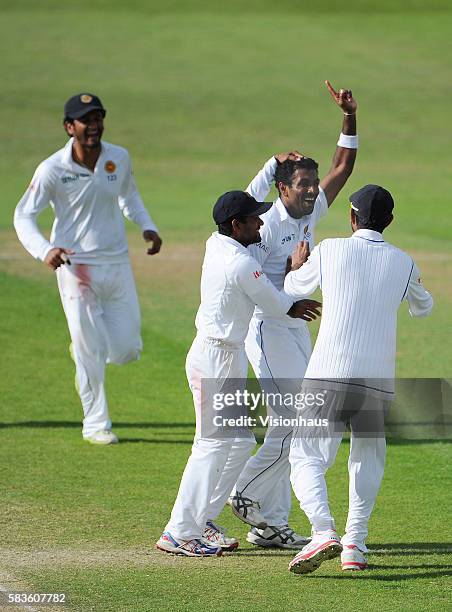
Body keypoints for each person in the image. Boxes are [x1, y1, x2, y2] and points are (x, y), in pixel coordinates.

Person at [227, 81, 359, 549]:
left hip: (297, 327)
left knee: (302, 425)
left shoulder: (310, 209)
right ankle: (242, 491)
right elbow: (241, 257)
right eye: (302, 184)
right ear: (282, 188)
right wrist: (291, 271)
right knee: (295, 423)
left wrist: (348, 116)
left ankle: (270, 523)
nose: (311, 190)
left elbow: (343, 166)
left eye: (311, 183)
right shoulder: (263, 222)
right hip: (266, 328)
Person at [156, 191, 321, 557]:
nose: (261, 223)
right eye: (254, 219)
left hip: (224, 357)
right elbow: (276, 304)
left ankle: (202, 521)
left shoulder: (215, 243)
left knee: (242, 442)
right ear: (236, 225)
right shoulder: (240, 264)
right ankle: (179, 532)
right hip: (215, 358)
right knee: (211, 446)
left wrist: (270, 168)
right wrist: (296, 288)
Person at [283, 184, 433, 574]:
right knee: (367, 458)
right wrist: (411, 279)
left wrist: (296, 265)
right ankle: (355, 544)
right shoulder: (404, 261)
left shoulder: (330, 249)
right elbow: (423, 308)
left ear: (351, 218)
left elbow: (292, 289)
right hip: (376, 379)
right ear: (390, 222)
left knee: (305, 456)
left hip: (327, 374)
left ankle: (322, 531)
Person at [14, 93, 162, 445]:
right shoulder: (52, 169)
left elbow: (130, 196)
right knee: (89, 350)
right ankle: (96, 424)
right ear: (69, 127)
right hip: (74, 266)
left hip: (116, 263)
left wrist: (147, 225)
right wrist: (43, 250)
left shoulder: (118, 158)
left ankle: (86, 346)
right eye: (85, 120)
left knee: (127, 350)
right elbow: (23, 215)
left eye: (97, 118)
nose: (93, 125)